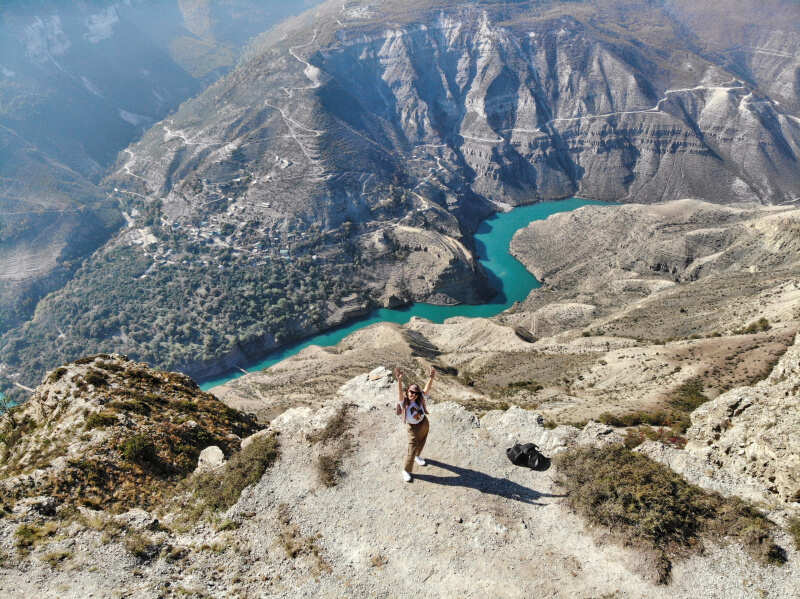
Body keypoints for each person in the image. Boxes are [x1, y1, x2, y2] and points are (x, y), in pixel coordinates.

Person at [394, 366, 435, 482]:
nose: (414, 395)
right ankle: (406, 470)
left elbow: (427, 389)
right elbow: (399, 393)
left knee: (422, 440)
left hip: (423, 422)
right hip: (412, 427)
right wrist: (399, 380)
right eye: (411, 392)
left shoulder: (419, 398)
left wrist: (431, 378)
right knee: (412, 447)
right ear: (407, 391)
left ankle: (417, 456)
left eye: (416, 393)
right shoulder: (404, 402)